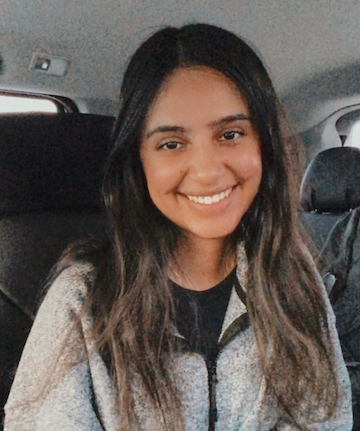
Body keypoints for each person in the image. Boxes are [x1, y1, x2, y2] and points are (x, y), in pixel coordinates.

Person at [4, 23, 352, 430]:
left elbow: (326, 418)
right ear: (139, 162)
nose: (206, 172)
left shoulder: (293, 279)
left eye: (230, 134)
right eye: (171, 143)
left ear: (263, 145)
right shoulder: (84, 295)